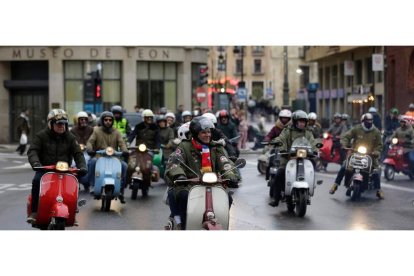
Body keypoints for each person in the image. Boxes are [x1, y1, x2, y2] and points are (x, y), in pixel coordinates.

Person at [164, 117, 238, 230]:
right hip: (189, 184)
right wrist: (179, 175)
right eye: (203, 132)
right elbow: (174, 162)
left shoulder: (216, 147)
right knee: (183, 196)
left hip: (213, 184)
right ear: (195, 133)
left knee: (228, 197)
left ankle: (220, 220)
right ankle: (183, 226)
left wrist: (230, 176)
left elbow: (225, 163)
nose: (207, 135)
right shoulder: (185, 146)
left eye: (209, 132)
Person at [26, 109, 87, 223]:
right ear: (50, 124)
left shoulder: (70, 137)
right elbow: (33, 151)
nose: (62, 126)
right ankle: (34, 211)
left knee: (75, 183)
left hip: (65, 170)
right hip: (45, 169)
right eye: (59, 123)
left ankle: (73, 210)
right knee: (36, 181)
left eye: (64, 124)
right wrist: (36, 163)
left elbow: (78, 154)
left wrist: (82, 166)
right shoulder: (41, 136)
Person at [268, 110, 318, 207]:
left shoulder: (308, 132)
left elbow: (312, 142)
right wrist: (279, 144)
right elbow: (281, 139)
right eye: (300, 121)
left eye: (304, 121)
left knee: (313, 164)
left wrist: (315, 149)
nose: (302, 123)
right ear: (295, 121)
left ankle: (310, 183)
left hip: (304, 157)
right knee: (279, 174)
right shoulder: (287, 131)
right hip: (288, 157)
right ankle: (276, 198)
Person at [329, 113, 384, 199]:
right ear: (364, 121)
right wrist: (344, 145)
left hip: (370, 156)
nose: (369, 122)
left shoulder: (376, 132)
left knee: (376, 171)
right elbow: (346, 137)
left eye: (370, 121)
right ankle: (335, 185)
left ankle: (378, 190)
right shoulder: (357, 128)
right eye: (367, 121)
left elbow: (379, 145)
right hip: (355, 153)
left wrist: (376, 151)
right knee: (344, 166)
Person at [86, 111, 129, 203]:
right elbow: (90, 142)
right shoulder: (96, 130)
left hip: (114, 157)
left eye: (110, 120)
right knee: (92, 162)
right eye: (106, 120)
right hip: (99, 156)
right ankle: (92, 185)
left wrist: (125, 150)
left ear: (112, 121)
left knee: (124, 166)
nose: (108, 121)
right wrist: (90, 149)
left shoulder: (116, 132)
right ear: (102, 120)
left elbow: (122, 143)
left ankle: (121, 190)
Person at [70, 111, 94, 193]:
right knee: (72, 165)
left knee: (90, 163)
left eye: (85, 119)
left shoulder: (91, 129)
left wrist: (91, 147)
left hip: (88, 152)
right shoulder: (73, 130)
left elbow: (94, 140)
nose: (83, 121)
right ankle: (73, 183)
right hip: (76, 153)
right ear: (78, 120)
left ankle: (90, 183)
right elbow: (70, 141)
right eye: (81, 119)